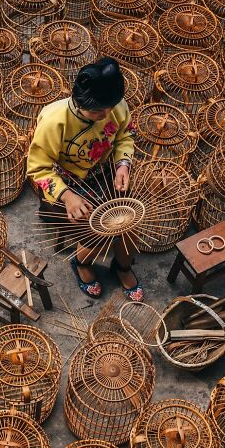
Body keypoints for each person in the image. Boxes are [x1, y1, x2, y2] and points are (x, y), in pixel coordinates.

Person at [26, 56, 143, 301]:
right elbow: (38, 169)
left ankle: (121, 266)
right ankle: (81, 263)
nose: (107, 114)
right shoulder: (54, 120)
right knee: (98, 232)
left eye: (110, 107)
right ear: (80, 103)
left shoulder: (115, 105)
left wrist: (123, 165)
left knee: (129, 222)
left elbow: (125, 136)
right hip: (65, 184)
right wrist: (68, 197)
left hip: (105, 176)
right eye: (98, 110)